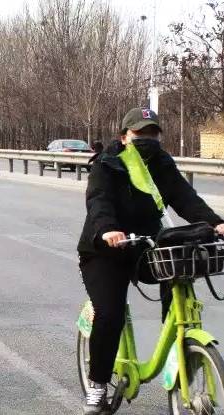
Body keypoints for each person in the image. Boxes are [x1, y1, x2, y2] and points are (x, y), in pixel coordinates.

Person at [77, 107, 224, 415]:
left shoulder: (162, 163)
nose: (147, 139)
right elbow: (98, 200)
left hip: (146, 246)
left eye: (152, 133)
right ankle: (98, 384)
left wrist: (215, 223)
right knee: (110, 314)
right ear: (124, 137)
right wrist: (108, 229)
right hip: (106, 250)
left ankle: (180, 345)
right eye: (140, 134)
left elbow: (185, 198)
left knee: (178, 275)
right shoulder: (108, 164)